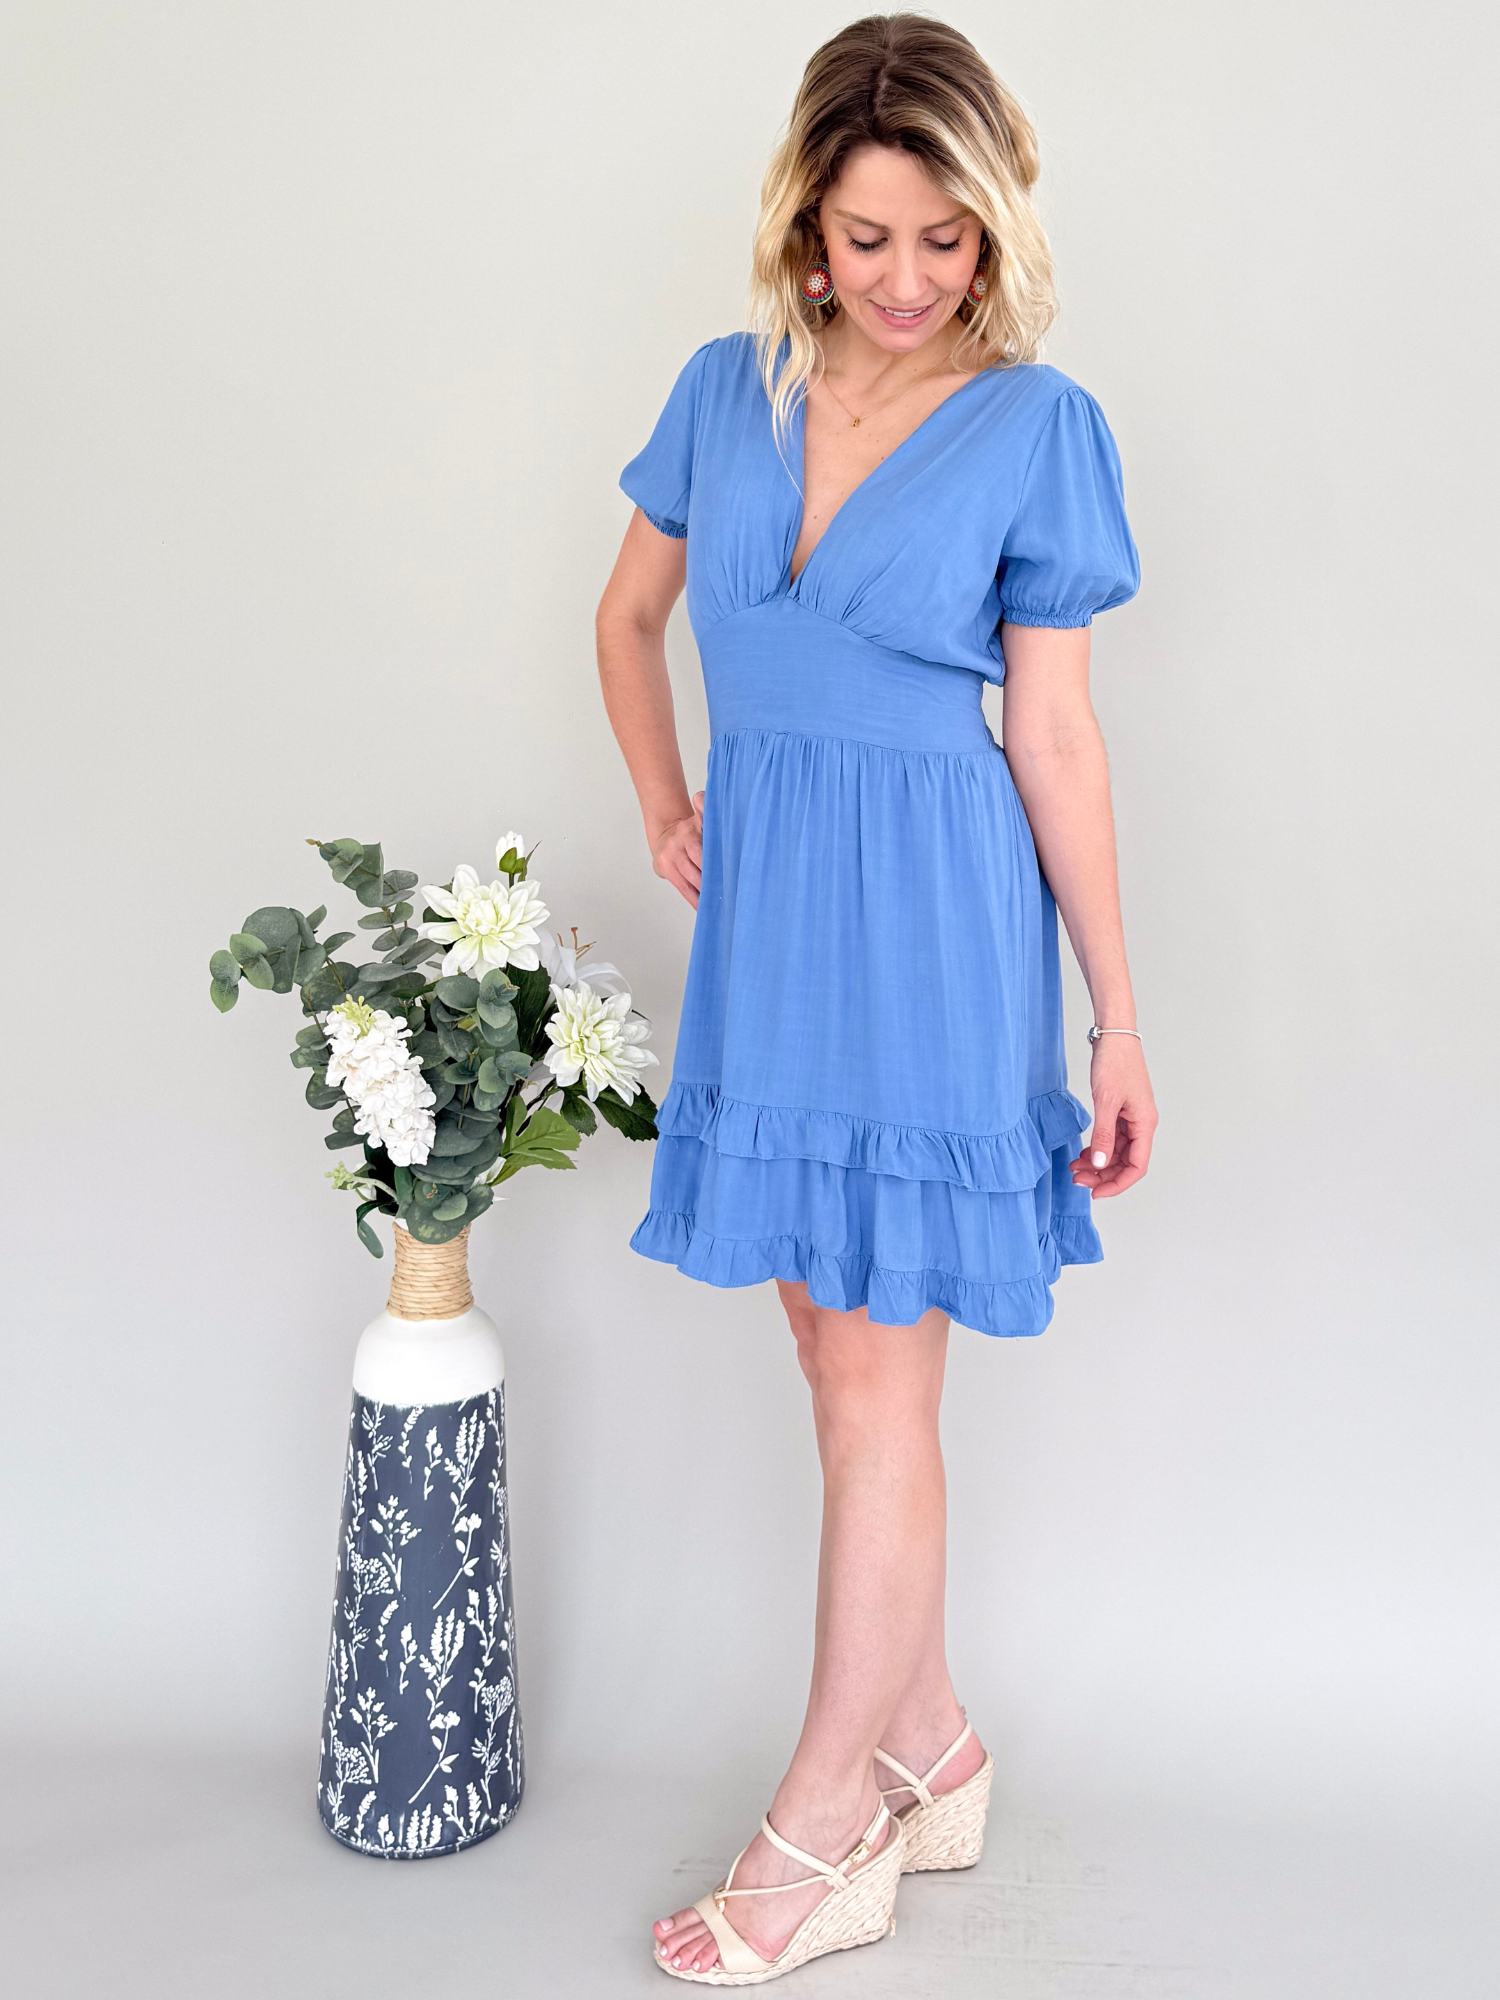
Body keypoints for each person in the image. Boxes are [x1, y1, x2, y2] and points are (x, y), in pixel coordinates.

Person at [596, 12, 1157, 1984]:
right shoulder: (722, 390)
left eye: (946, 238)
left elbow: (1056, 740)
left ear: (993, 232)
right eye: (867, 237)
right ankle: (933, 1739)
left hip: (935, 926)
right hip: (775, 929)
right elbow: (631, 615)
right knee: (821, 1341)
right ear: (804, 227)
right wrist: (669, 800)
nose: (907, 278)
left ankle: (828, 1813)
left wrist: (1116, 1013)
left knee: (874, 1375)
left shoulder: (1038, 426)